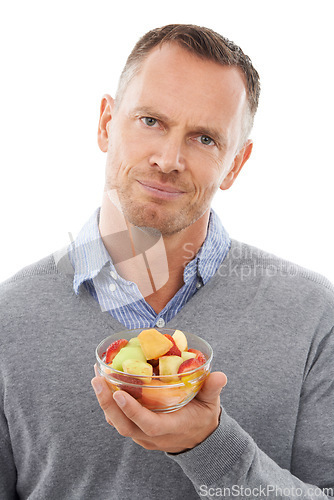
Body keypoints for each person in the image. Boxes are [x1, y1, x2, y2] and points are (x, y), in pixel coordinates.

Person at [0, 24, 333, 500]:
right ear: (105, 123)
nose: (169, 158)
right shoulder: (8, 320)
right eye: (151, 121)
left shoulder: (313, 314)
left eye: (203, 138)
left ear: (236, 164)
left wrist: (211, 447)